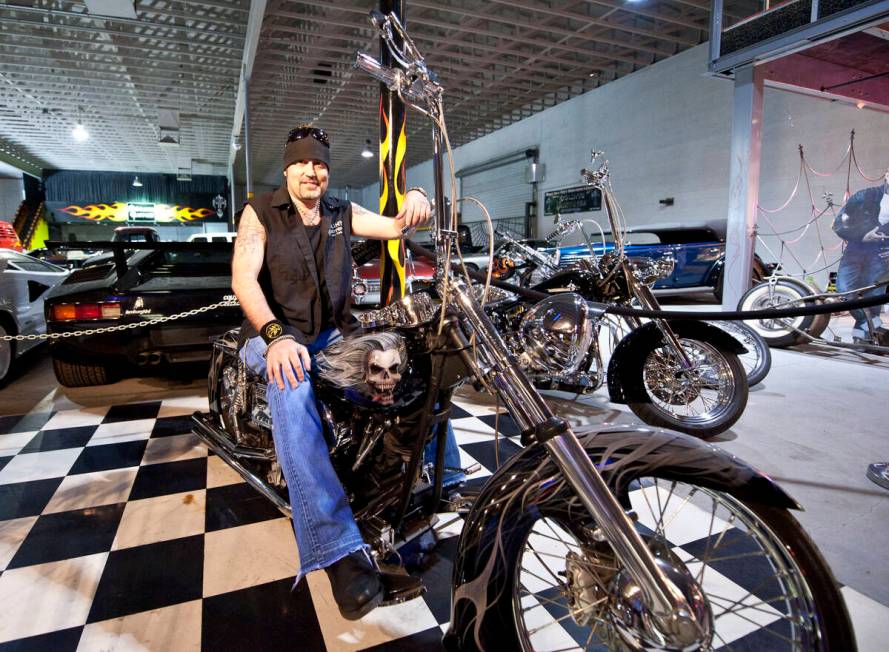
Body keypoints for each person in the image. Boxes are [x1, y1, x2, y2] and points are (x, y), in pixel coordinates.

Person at [231, 125, 460, 621]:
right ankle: (335, 548)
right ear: (288, 168)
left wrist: (416, 196)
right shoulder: (260, 212)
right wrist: (275, 337)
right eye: (304, 164)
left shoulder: (340, 212)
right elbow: (243, 279)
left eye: (321, 165)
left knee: (412, 364)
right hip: (271, 335)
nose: (313, 172)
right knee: (292, 389)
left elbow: (397, 227)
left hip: (333, 333)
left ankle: (450, 476)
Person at [832, 168, 889, 343]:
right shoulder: (865, 195)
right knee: (845, 291)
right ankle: (871, 323)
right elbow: (839, 224)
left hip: (883, 255)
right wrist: (863, 235)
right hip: (856, 250)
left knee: (874, 296)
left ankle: (863, 337)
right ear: (886, 175)